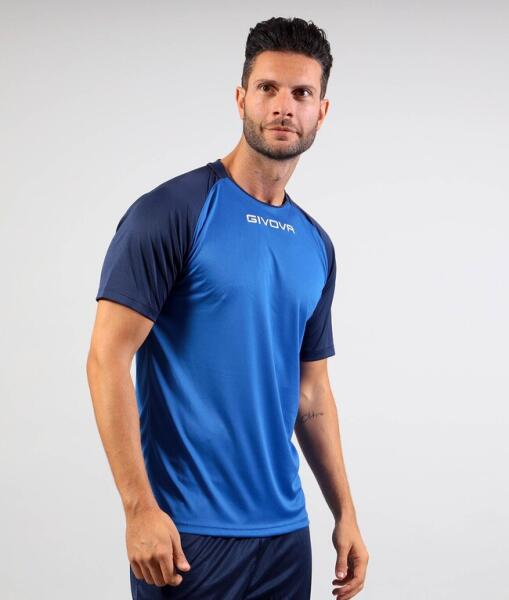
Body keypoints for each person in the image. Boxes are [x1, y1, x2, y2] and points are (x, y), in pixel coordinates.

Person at [86, 16, 369, 600]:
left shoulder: (316, 245)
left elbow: (312, 392)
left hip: (286, 536)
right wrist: (138, 510)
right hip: (187, 536)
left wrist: (344, 512)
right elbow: (106, 359)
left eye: (301, 93)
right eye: (267, 88)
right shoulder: (173, 212)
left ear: (321, 111)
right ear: (241, 98)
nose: (283, 106)